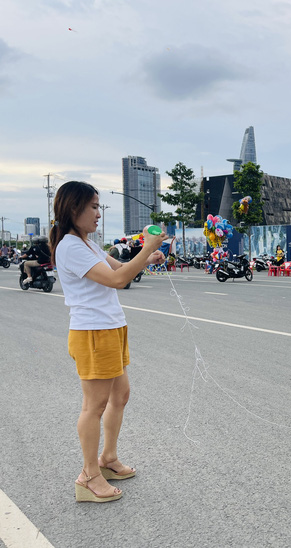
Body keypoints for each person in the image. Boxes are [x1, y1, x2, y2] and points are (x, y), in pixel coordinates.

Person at [50, 181, 166, 503]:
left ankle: (108, 458)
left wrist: (148, 256)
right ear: (73, 209)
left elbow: (120, 269)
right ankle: (88, 476)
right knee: (94, 406)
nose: (98, 214)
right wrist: (145, 248)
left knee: (121, 395)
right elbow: (117, 280)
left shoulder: (88, 243)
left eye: (99, 206)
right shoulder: (70, 246)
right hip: (93, 333)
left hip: (111, 327)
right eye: (93, 207)